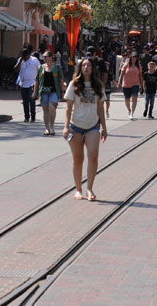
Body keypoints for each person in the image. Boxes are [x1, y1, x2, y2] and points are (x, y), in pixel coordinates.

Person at [62, 57, 107, 201]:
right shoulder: (74, 84)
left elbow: (100, 108)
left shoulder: (98, 85)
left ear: (93, 68)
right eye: (83, 65)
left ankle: (90, 188)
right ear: (80, 68)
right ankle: (78, 189)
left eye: (88, 65)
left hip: (92, 126)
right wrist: (66, 126)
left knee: (93, 155)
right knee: (78, 158)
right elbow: (68, 107)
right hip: (75, 126)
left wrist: (104, 128)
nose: (86, 67)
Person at [35, 50, 65, 136]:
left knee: (52, 107)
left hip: (54, 91)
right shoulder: (41, 67)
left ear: (51, 57)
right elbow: (36, 80)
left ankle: (52, 127)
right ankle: (47, 128)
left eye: (45, 57)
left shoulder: (57, 68)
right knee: (45, 110)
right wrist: (35, 92)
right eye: (43, 57)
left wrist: (62, 91)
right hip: (43, 92)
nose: (43, 58)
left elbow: (61, 80)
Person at [14, 47, 41, 123]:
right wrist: (20, 61)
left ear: (29, 55)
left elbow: (40, 70)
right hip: (23, 84)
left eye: (25, 56)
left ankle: (33, 117)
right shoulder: (20, 60)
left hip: (32, 84)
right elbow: (15, 70)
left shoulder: (34, 60)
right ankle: (26, 117)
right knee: (25, 102)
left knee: (31, 101)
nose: (24, 58)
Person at [119, 51, 143, 120]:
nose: (134, 58)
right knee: (127, 99)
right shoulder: (126, 64)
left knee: (134, 97)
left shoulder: (138, 65)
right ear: (130, 57)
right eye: (133, 57)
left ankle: (132, 113)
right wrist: (119, 82)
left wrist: (142, 86)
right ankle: (129, 110)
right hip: (126, 84)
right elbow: (122, 74)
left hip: (135, 84)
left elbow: (140, 76)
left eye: (135, 57)